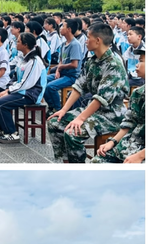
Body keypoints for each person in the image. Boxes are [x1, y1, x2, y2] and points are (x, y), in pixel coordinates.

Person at [47, 23, 129, 163]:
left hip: (111, 115)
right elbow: (79, 86)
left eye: (88, 37)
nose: (85, 40)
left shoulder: (114, 64)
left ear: (98, 40)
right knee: (55, 122)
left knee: (73, 133)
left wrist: (80, 118)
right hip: (94, 111)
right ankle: (65, 161)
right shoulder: (92, 61)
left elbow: (101, 98)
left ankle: (78, 166)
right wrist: (64, 110)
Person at [91, 46, 145, 163]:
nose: (137, 65)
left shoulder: (114, 64)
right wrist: (112, 142)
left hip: (142, 152)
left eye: (141, 61)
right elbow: (129, 123)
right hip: (129, 145)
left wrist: (141, 156)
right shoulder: (138, 93)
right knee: (97, 162)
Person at [0, 32, 47, 143]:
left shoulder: (34, 61)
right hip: (22, 91)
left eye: (18, 42)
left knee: (0, 103)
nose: (16, 43)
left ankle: (12, 133)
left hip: (30, 94)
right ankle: (3, 129)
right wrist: (8, 89)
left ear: (25, 45)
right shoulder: (23, 58)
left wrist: (9, 91)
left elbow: (27, 83)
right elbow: (15, 77)